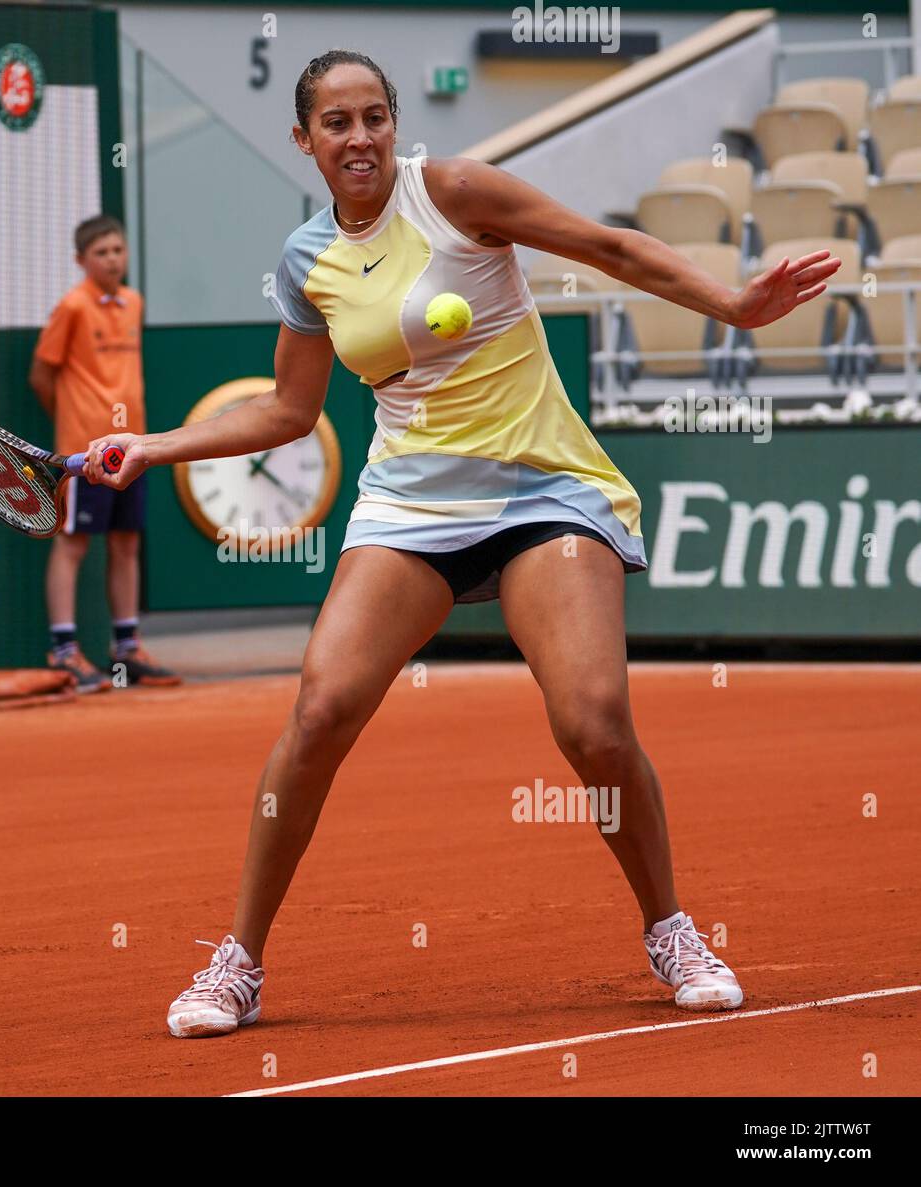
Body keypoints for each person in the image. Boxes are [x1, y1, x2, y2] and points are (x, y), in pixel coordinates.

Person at [81, 51, 841, 1036]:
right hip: (410, 509)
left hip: (545, 492)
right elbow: (285, 409)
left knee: (593, 720)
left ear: (394, 125)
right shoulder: (304, 260)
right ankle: (237, 961)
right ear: (303, 140)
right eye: (336, 123)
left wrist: (733, 305)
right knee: (320, 709)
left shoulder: (456, 192)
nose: (358, 138)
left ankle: (671, 927)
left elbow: (608, 246)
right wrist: (149, 446)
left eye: (372, 118)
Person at [29, 215, 180, 692]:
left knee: (126, 543)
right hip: (83, 453)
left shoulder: (134, 302)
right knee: (73, 544)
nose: (113, 259)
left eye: (118, 250)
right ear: (81, 261)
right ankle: (65, 651)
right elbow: (42, 374)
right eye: (102, 253)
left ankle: (127, 648)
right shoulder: (71, 307)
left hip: (131, 447)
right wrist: (74, 427)